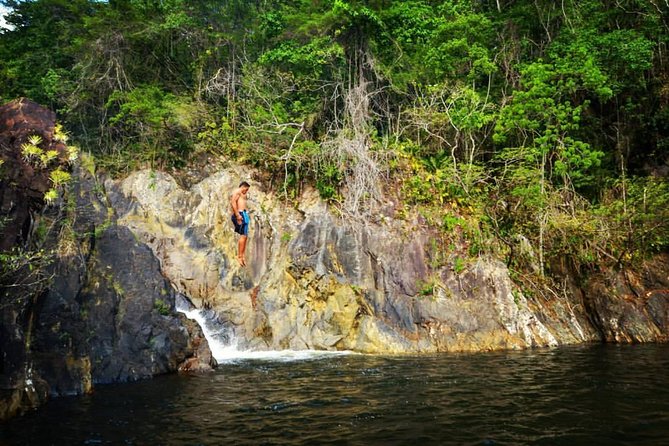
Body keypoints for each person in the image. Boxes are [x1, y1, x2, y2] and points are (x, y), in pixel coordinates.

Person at [230, 181, 251, 266]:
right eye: (246, 189)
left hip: (244, 214)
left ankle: (242, 255)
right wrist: (238, 215)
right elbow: (233, 202)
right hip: (240, 214)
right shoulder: (237, 191)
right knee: (243, 235)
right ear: (243, 187)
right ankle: (239, 256)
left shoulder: (242, 193)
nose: (246, 191)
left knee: (245, 236)